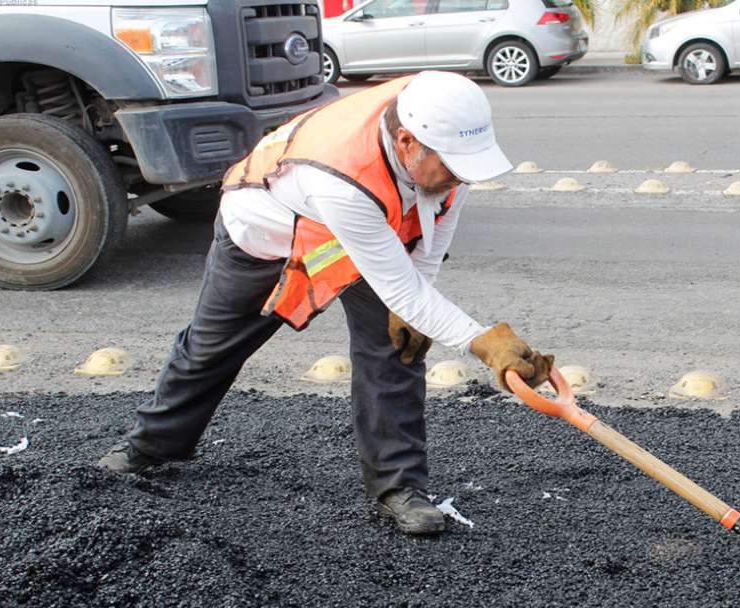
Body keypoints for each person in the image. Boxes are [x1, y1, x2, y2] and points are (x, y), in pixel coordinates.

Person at [97, 71, 554, 536]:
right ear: (406, 142)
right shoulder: (341, 174)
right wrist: (480, 341)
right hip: (266, 235)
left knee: (398, 347)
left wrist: (418, 300)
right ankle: (152, 445)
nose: (459, 176)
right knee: (213, 347)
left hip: (367, 232)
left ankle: (400, 485)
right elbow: (398, 287)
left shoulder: (442, 128)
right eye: (451, 167)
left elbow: (434, 229)